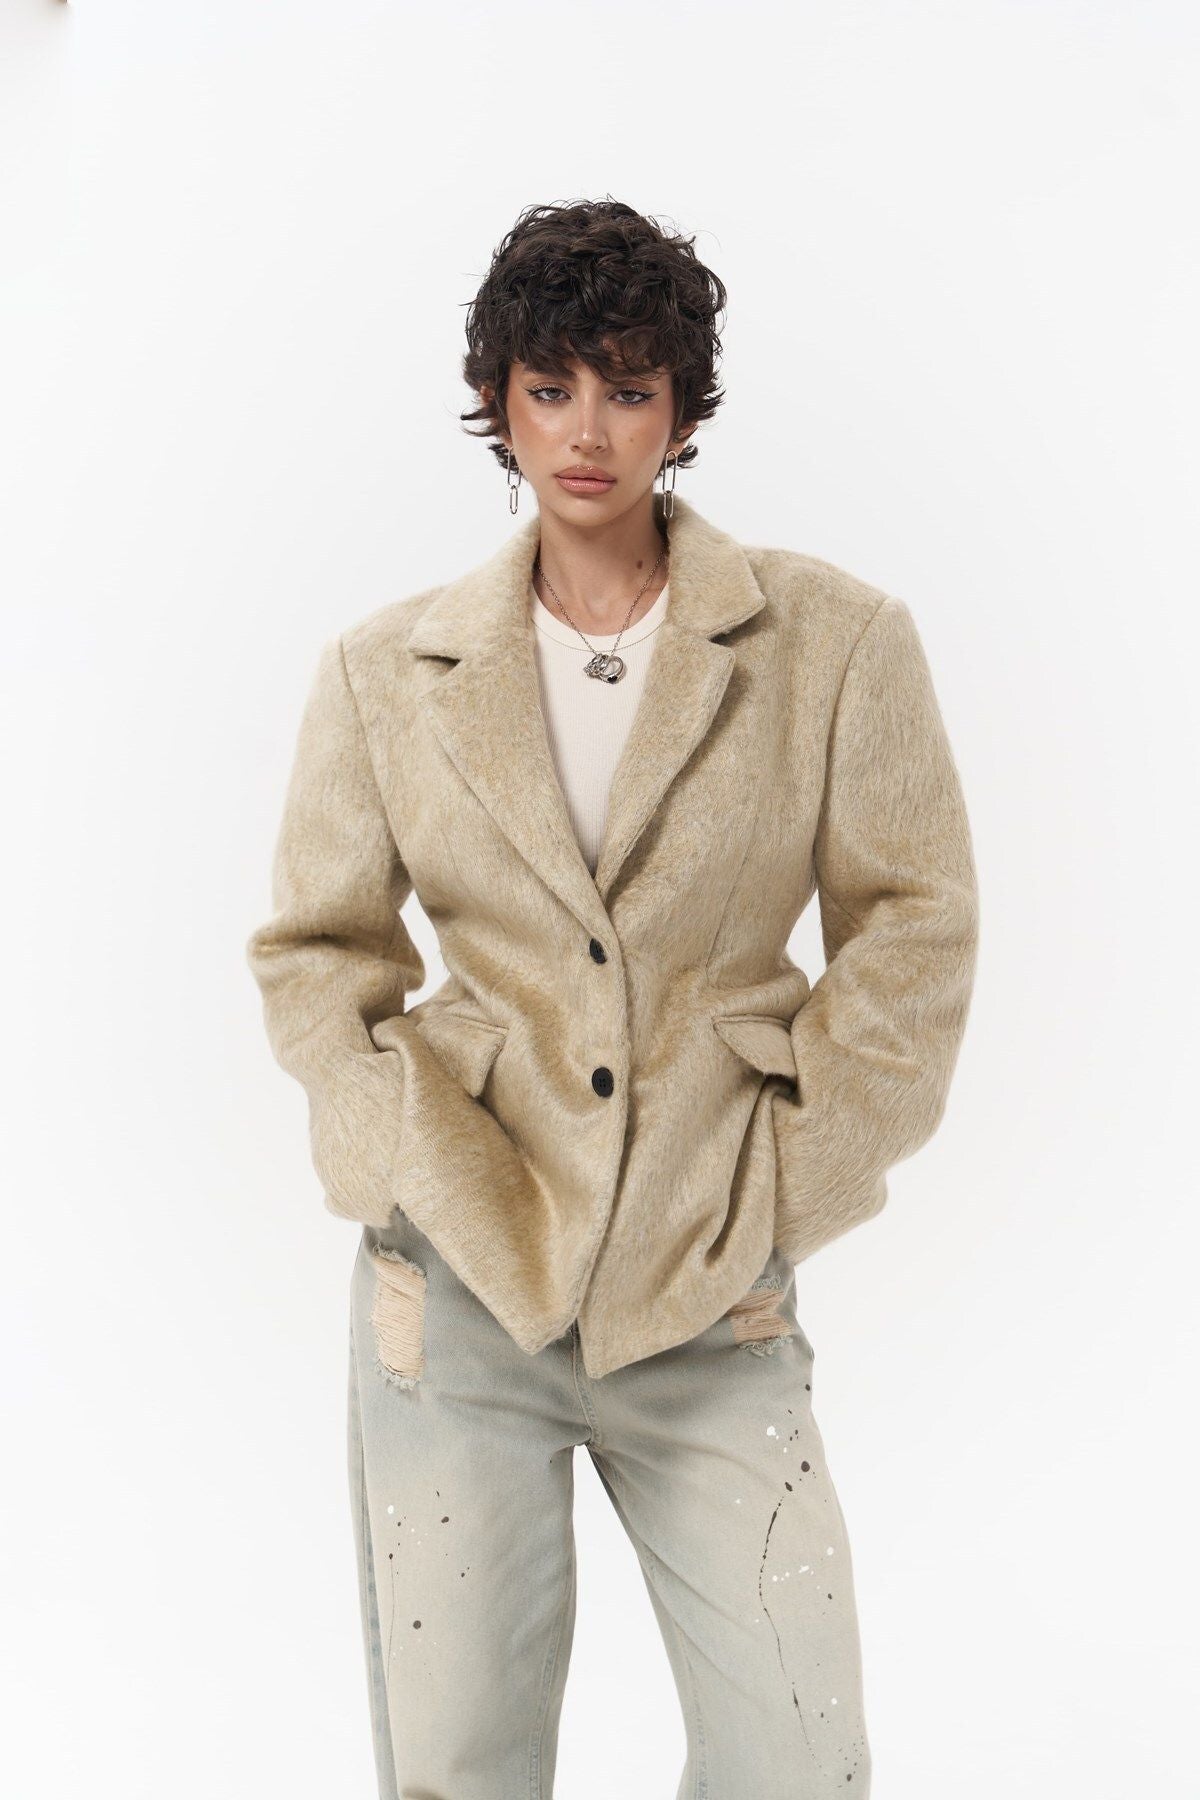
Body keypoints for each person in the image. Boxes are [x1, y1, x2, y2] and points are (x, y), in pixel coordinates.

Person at [245, 197, 979, 1799]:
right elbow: (319, 953)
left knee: (798, 1756)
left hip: (709, 1285)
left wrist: (786, 1180)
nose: (588, 432)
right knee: (459, 1767)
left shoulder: (836, 643)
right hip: (463, 1283)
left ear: (684, 412)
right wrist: (398, 1153)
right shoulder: (385, 670)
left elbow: (914, 931)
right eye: (552, 387)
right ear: (498, 401)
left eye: (630, 389)